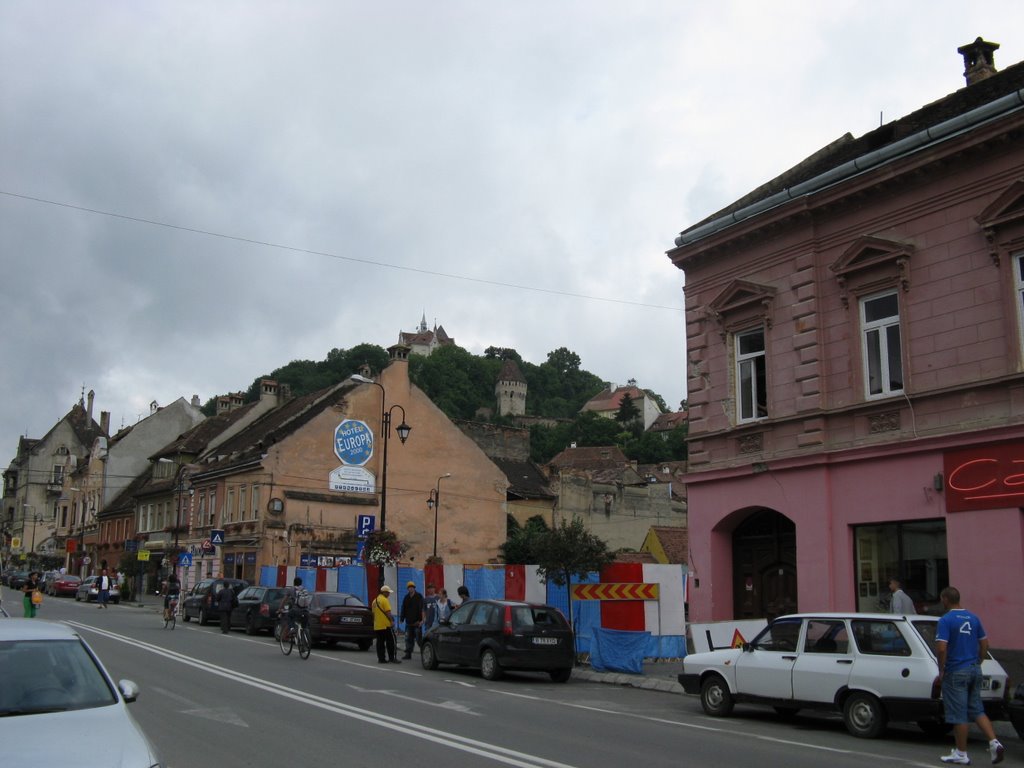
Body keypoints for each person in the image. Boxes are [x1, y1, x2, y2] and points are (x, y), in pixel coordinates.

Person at [935, 586, 1004, 765]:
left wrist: (941, 669)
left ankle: (961, 753)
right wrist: (978, 661)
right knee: (976, 709)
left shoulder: (946, 620)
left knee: (959, 714)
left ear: (945, 599)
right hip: (974, 668)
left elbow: (942, 648)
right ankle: (994, 742)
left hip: (956, 670)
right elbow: (985, 643)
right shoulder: (974, 618)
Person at [372, 585, 400, 664]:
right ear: (384, 592)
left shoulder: (374, 601)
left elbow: (373, 614)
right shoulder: (385, 600)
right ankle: (392, 658)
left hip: (377, 626)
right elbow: (388, 612)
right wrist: (392, 621)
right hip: (386, 625)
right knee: (391, 641)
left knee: (380, 643)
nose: (389, 594)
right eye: (388, 593)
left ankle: (381, 659)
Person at [280, 577, 313, 641]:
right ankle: (305, 641)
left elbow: (284, 600)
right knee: (304, 626)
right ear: (301, 583)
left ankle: (292, 629)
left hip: (296, 610)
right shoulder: (304, 589)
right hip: (306, 611)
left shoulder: (291, 589)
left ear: (294, 582)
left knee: (289, 616)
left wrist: (280, 608)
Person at [400, 581, 425, 659]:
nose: (410, 589)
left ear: (414, 588)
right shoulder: (406, 597)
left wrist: (421, 620)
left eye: (412, 587)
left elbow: (422, 609)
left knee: (418, 639)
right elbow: (403, 608)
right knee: (408, 639)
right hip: (408, 622)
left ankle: (423, 653)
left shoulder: (419, 596)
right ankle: (408, 654)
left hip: (417, 622)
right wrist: (402, 618)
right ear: (408, 589)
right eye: (409, 587)